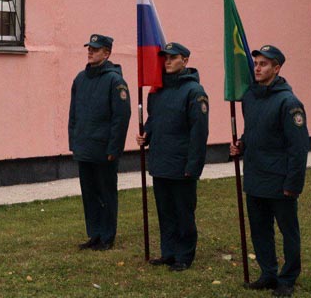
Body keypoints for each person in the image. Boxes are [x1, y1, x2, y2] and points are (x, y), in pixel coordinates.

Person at [230, 45, 309, 297]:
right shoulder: (251, 97)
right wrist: (241, 144)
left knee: (288, 231)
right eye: (256, 63)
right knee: (260, 229)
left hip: (279, 181)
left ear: (277, 68)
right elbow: (253, 130)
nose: (257, 68)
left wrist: (292, 184)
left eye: (264, 64)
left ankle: (287, 278)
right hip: (255, 177)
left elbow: (298, 149)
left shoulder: (289, 102)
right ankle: (268, 273)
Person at [136, 42, 209, 272]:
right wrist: (146, 134)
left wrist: (193, 166)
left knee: (183, 212)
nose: (167, 61)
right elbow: (154, 119)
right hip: (160, 161)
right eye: (165, 58)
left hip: (181, 164)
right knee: (165, 211)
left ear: (185, 61)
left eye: (172, 57)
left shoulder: (194, 92)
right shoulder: (158, 90)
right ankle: (168, 252)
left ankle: (184, 255)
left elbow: (199, 132)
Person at [69, 34, 131, 251]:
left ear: (107, 53)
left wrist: (115, 148)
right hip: (85, 147)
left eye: (95, 49)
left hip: (104, 150)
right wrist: (74, 142)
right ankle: (94, 233)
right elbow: (73, 114)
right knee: (89, 193)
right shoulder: (80, 79)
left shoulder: (115, 81)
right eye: (89, 48)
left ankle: (107, 235)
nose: (90, 52)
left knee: (106, 192)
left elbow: (121, 118)